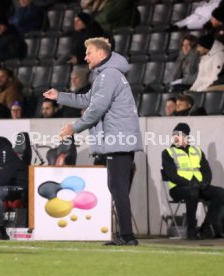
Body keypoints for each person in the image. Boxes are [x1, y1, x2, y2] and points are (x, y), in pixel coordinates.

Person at [43, 37, 143, 246]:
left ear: (100, 54)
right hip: (117, 139)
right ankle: (125, 235)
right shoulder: (106, 75)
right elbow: (87, 100)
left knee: (117, 188)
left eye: (88, 53)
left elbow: (96, 109)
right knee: (116, 187)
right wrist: (59, 95)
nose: (85, 57)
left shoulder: (109, 75)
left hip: (118, 139)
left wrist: (74, 127)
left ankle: (127, 236)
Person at [162, 123, 224, 239]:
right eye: (174, 135)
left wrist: (204, 183)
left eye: (178, 135)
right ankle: (191, 231)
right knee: (192, 192)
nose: (175, 137)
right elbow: (171, 175)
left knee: (220, 193)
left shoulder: (197, 151)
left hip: (199, 186)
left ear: (186, 137)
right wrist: (190, 183)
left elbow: (207, 172)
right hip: (178, 188)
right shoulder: (168, 153)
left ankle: (205, 227)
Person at [0, 132, 28, 239]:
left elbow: (2, 179)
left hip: (19, 186)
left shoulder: (5, 151)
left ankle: (0, 230)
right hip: (4, 185)